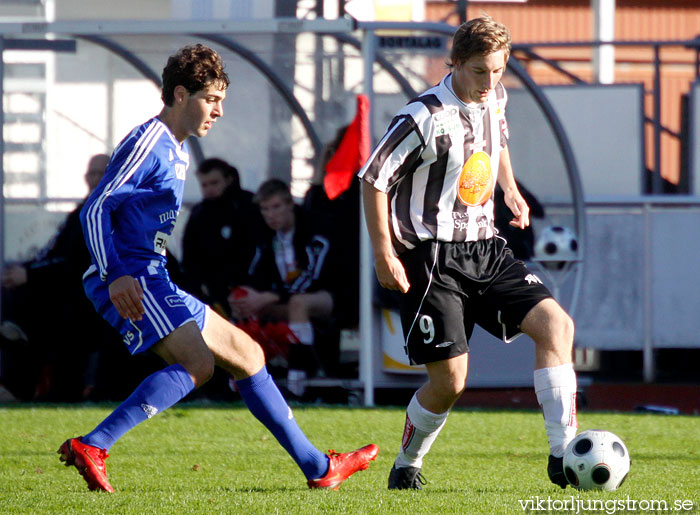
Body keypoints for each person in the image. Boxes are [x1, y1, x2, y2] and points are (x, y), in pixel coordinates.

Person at [57, 44, 377, 493]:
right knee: (198, 364)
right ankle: (95, 443)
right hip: (133, 275)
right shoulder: (150, 140)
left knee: (248, 356)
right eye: (212, 99)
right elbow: (96, 209)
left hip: (152, 275)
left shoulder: (178, 148)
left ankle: (318, 466)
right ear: (181, 94)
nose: (219, 111)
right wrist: (116, 274)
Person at [358, 16, 576, 490]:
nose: (490, 81)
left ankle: (565, 455)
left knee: (556, 325)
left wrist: (511, 190)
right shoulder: (423, 116)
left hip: (486, 247)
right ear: (453, 63)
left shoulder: (494, 95)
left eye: (498, 70)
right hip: (433, 259)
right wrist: (383, 254)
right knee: (451, 382)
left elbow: (496, 140)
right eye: (480, 71)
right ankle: (407, 463)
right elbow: (373, 179)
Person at [1, 153, 110, 401]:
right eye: (91, 173)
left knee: (45, 326)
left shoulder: (108, 211)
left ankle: (21, 386)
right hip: (68, 296)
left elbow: (75, 262)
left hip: (88, 301)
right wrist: (25, 270)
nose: (94, 178)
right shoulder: (82, 211)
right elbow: (56, 254)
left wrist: (29, 274)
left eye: (100, 172)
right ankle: (19, 382)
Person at [230, 179, 337, 395]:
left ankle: (299, 379)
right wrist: (250, 294)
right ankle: (241, 374)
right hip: (285, 298)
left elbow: (312, 276)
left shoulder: (314, 228)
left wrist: (271, 296)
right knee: (242, 301)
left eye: (276, 207)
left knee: (299, 303)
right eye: (265, 209)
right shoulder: (266, 235)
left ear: (290, 204)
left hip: (330, 296)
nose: (271, 214)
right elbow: (256, 272)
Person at [181, 157, 260, 315]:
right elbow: (190, 254)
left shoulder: (248, 205)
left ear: (228, 179)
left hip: (249, 287)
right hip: (212, 291)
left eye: (214, 183)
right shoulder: (199, 214)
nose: (209, 189)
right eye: (204, 184)